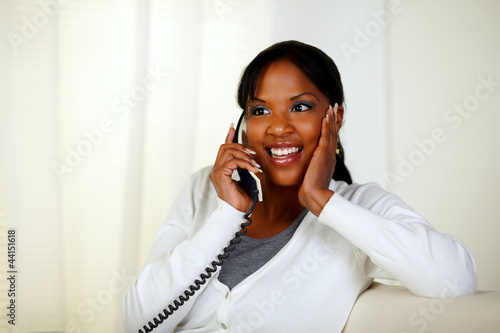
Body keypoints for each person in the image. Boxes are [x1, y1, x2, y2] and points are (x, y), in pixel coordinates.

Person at [123, 40, 477, 333]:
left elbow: (454, 279)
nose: (278, 128)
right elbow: (138, 319)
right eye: (260, 111)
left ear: (335, 117)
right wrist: (228, 214)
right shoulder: (205, 187)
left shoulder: (359, 206)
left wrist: (324, 202)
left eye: (300, 107)